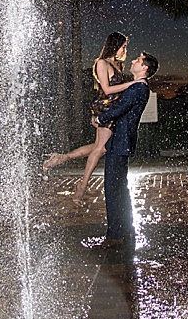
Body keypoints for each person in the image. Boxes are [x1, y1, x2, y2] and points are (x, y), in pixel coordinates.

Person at [42, 32, 146, 199]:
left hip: (113, 109)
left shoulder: (117, 65)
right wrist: (133, 83)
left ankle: (61, 158)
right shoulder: (101, 63)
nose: (124, 50)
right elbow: (107, 90)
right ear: (115, 45)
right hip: (104, 108)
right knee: (100, 149)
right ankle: (81, 187)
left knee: (101, 146)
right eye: (123, 47)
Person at [94, 49, 158, 247]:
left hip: (120, 142)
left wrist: (100, 118)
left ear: (144, 68)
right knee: (120, 188)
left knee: (113, 189)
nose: (133, 61)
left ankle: (114, 236)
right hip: (122, 141)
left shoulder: (138, 88)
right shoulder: (139, 87)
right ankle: (127, 230)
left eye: (138, 60)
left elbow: (120, 109)